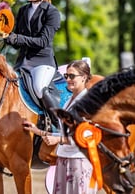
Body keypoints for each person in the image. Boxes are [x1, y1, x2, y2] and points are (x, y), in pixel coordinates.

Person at [23, 60, 97, 194]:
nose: (68, 80)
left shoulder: (88, 103)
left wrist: (58, 141)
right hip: (63, 159)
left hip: (79, 161)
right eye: (66, 76)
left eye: (72, 76)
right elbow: (66, 133)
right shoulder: (68, 101)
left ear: (84, 77)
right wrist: (37, 131)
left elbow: (86, 136)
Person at [4, 0, 61, 118]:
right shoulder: (23, 10)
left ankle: (59, 124)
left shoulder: (52, 12)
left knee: (39, 87)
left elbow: (43, 41)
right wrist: (6, 35)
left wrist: (17, 38)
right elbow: (16, 43)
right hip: (22, 63)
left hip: (42, 63)